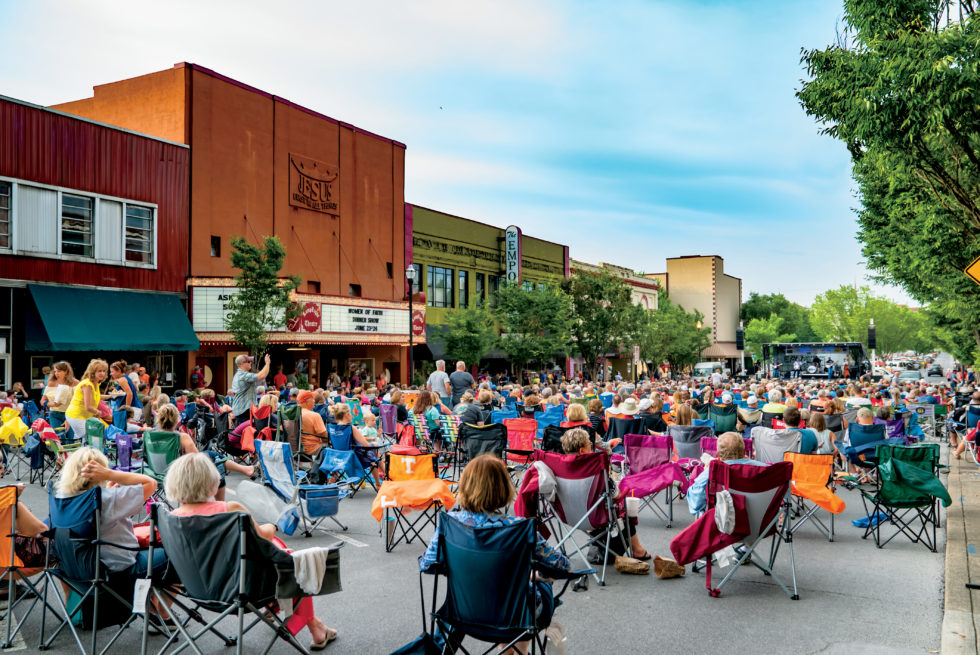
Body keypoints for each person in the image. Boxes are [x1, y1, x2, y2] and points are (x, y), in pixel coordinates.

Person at [166, 454, 337, 649]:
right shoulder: (229, 510)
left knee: (274, 555)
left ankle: (310, 623)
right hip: (241, 589)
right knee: (290, 561)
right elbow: (263, 537)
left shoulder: (171, 517)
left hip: (198, 589)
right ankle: (314, 628)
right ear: (211, 481)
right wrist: (272, 525)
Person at [419, 454, 569, 654]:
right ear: (503, 487)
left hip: (463, 614)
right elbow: (562, 566)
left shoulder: (450, 523)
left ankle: (509, 648)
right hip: (514, 618)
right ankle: (514, 648)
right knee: (539, 587)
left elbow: (428, 565)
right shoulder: (519, 528)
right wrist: (536, 575)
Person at [560, 427, 652, 560]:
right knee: (621, 507)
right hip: (594, 517)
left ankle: (604, 542)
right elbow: (615, 495)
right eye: (589, 445)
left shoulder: (559, 469)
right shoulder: (594, 468)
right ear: (582, 451)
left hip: (569, 517)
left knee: (612, 508)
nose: (592, 449)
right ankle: (637, 550)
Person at [152, 404, 255, 498]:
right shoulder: (181, 437)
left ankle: (245, 469)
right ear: (176, 419)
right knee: (216, 463)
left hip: (156, 472)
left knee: (212, 456)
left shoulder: (149, 435)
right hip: (179, 473)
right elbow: (198, 459)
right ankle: (221, 505)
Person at [686, 432, 766, 514]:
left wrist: (706, 471)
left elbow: (695, 503)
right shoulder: (764, 469)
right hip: (759, 519)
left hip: (723, 521)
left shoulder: (712, 471)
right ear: (743, 450)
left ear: (719, 453)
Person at [331, 403, 382, 484]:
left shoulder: (332, 428)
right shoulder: (351, 428)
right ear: (347, 415)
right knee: (374, 449)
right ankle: (379, 482)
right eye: (350, 413)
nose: (352, 416)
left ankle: (384, 476)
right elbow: (366, 445)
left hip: (338, 458)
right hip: (353, 458)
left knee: (373, 451)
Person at [65, 359, 109, 441]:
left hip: (84, 415)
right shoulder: (87, 384)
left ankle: (85, 452)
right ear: (93, 372)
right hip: (76, 415)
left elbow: (97, 396)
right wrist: (98, 412)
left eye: (104, 371)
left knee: (91, 439)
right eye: (99, 371)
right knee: (90, 439)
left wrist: (110, 396)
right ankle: (84, 453)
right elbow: (88, 406)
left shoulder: (95, 383)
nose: (102, 373)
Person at [231, 354, 271, 426]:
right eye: (248, 362)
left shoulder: (238, 374)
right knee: (247, 433)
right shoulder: (243, 375)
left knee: (246, 433)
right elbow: (262, 375)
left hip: (241, 410)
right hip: (244, 411)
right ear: (242, 364)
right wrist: (267, 363)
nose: (250, 363)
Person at [43, 361, 77, 433]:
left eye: (59, 371)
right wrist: (53, 404)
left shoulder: (75, 383)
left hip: (70, 414)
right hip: (55, 414)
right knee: (59, 439)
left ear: (66, 371)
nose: (56, 373)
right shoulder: (51, 382)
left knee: (71, 439)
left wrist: (70, 417)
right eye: (55, 371)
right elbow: (43, 401)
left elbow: (78, 401)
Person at [297, 390, 329, 456]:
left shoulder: (291, 414)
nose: (314, 401)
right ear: (307, 401)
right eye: (313, 399)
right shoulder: (314, 415)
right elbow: (323, 435)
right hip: (312, 449)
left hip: (295, 449)